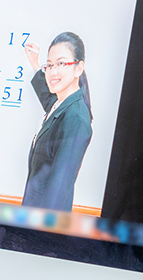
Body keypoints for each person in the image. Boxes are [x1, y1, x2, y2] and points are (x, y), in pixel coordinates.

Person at [21, 32, 93, 211]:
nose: (53, 71)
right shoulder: (61, 104)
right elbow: (48, 98)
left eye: (61, 63)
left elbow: (59, 190)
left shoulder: (75, 118)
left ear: (78, 68)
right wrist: (35, 63)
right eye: (50, 65)